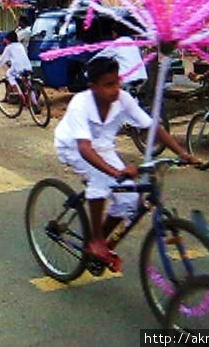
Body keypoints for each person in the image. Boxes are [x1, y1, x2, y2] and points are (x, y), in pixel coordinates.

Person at [54, 57, 198, 271]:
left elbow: (152, 127)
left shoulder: (123, 99)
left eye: (117, 82)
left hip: (103, 148)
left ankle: (102, 239)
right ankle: (96, 241)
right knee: (100, 181)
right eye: (108, 85)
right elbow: (84, 148)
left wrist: (183, 153)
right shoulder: (80, 104)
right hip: (73, 146)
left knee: (131, 199)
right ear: (93, 87)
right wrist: (115, 171)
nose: (115, 89)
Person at [92, 22, 148, 89]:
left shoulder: (118, 43)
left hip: (128, 78)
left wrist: (88, 67)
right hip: (141, 76)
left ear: (115, 33)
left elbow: (101, 56)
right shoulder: (132, 42)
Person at [0, 30, 32, 98]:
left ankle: (19, 93)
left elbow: (3, 59)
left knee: (9, 74)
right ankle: (35, 102)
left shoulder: (9, 48)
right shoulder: (20, 45)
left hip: (18, 67)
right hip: (28, 66)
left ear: (8, 40)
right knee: (28, 83)